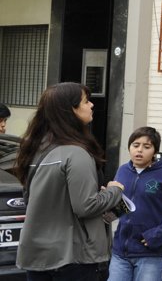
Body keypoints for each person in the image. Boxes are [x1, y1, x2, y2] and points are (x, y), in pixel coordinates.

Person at [16, 82, 126, 280]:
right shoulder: (76, 153)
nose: (92, 105)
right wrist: (114, 191)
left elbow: (31, 200)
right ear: (70, 110)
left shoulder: (36, 149)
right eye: (86, 101)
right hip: (76, 257)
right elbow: (86, 206)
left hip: (39, 257)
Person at [110, 127, 162, 281]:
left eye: (146, 147)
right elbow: (121, 206)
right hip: (121, 252)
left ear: (155, 151)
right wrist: (109, 200)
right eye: (135, 145)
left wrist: (158, 235)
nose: (139, 150)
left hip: (151, 252)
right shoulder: (123, 171)